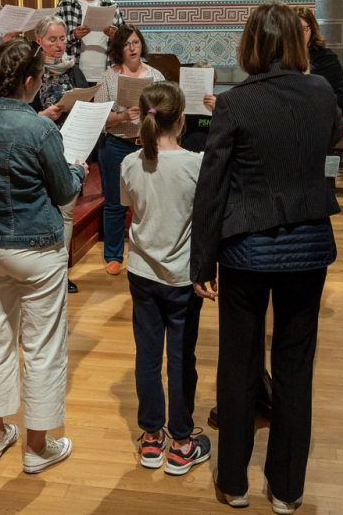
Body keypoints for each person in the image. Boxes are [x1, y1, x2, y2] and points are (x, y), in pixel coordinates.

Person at [190, 2, 343, 512]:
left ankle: (234, 482)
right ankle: (287, 489)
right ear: (297, 44)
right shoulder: (321, 92)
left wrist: (201, 263)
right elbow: (330, 142)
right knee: (295, 367)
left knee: (238, 364)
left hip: (245, 251)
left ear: (250, 45)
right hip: (307, 248)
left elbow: (211, 188)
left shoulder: (235, 103)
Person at [0, 39, 88, 474]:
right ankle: (36, 448)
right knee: (42, 347)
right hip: (36, 248)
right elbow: (64, 191)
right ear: (30, 80)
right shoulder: (38, 128)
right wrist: (77, 170)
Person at [120, 81, 211, 475]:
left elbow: (131, 208)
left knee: (147, 354)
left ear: (144, 117)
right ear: (182, 120)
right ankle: (183, 443)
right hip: (182, 276)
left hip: (141, 272)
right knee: (180, 357)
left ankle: (151, 437)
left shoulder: (129, 163)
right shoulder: (196, 165)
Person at [93, 25, 165, 274]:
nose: (132, 48)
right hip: (115, 144)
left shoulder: (155, 75)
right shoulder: (107, 77)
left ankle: (148, 252)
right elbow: (101, 119)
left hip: (146, 145)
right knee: (115, 203)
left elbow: (163, 109)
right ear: (118, 49)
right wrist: (123, 115)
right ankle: (113, 256)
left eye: (136, 42)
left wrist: (149, 112)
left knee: (149, 202)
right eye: (126, 44)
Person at [30, 15, 89, 294]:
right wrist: (43, 115)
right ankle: (39, 272)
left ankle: (60, 274)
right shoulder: (30, 71)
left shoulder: (73, 69)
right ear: (39, 41)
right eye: (52, 39)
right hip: (38, 147)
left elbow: (88, 97)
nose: (59, 45)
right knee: (41, 211)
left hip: (70, 145)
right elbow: (19, 113)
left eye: (62, 39)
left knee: (66, 212)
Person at [56, 0, 126, 85]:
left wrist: (117, 37)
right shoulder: (65, 5)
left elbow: (125, 42)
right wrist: (73, 36)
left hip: (106, 75)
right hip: (73, 75)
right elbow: (54, 43)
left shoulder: (111, 5)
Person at [297, 6, 343, 109]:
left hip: (323, 112)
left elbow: (341, 97)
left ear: (312, 29)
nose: (300, 34)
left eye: (304, 29)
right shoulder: (281, 59)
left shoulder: (327, 58)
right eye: (295, 29)